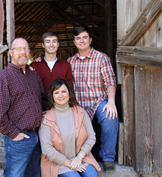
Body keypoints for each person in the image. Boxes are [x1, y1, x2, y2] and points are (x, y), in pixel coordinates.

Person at [0, 37, 47, 177]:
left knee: (34, 174)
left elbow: (43, 98)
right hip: (18, 138)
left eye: (26, 48)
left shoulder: (33, 75)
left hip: (37, 135)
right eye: (18, 49)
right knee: (15, 175)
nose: (23, 52)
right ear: (10, 52)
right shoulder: (4, 77)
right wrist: (15, 135)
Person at [67, 26, 119, 173]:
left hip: (99, 102)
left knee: (110, 118)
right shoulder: (70, 62)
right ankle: (81, 156)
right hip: (79, 104)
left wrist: (111, 102)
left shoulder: (101, 58)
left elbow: (110, 81)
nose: (81, 41)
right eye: (78, 38)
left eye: (84, 37)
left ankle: (108, 158)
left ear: (90, 40)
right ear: (74, 42)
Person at [39, 79, 101, 177]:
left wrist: (79, 157)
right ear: (52, 96)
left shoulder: (80, 112)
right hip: (58, 164)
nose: (61, 95)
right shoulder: (47, 119)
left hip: (82, 159)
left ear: (69, 93)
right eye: (56, 92)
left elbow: (91, 137)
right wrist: (69, 163)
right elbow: (47, 149)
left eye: (64, 91)